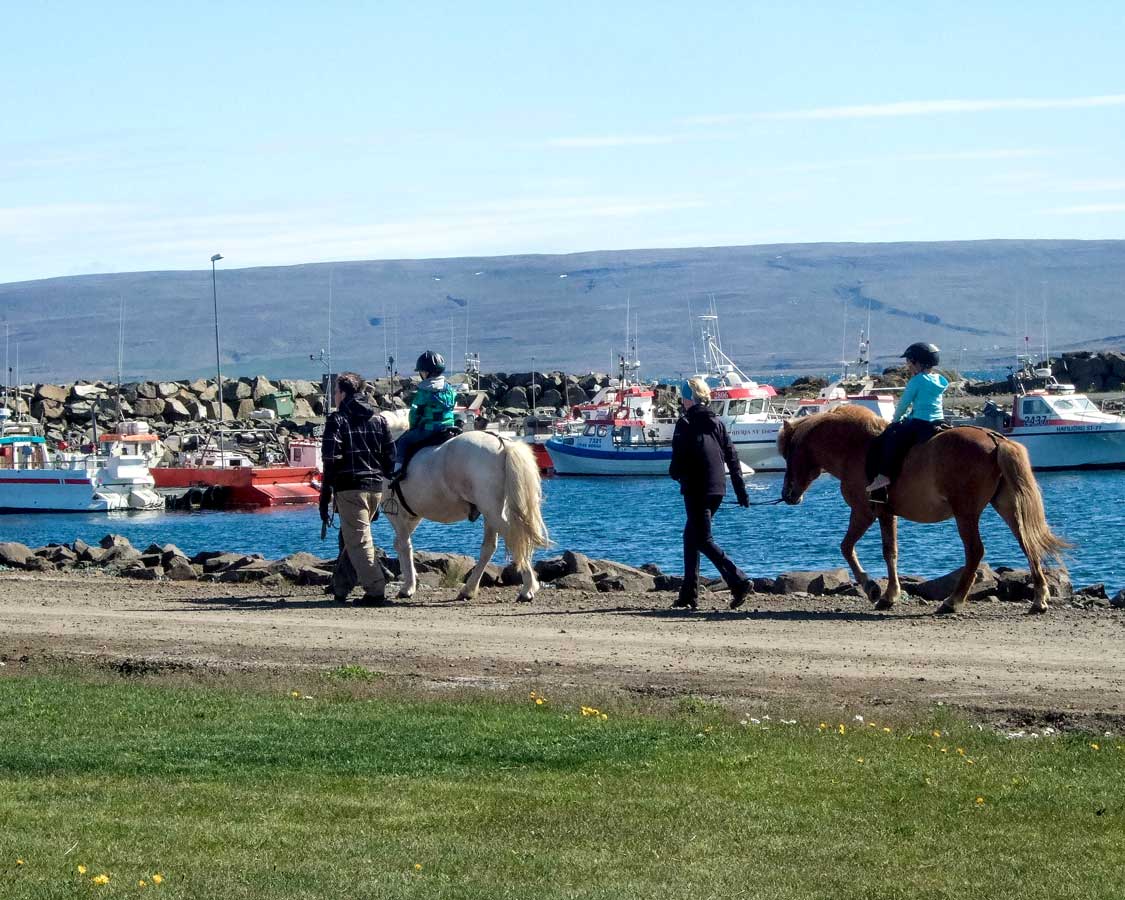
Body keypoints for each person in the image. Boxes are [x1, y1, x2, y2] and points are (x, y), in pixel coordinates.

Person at [668, 376, 753, 610]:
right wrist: (741, 492)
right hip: (718, 488)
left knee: (703, 540)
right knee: (691, 537)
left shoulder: (684, 423)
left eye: (683, 398)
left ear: (688, 399)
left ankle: (739, 580)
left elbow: (678, 458)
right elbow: (732, 457)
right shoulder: (718, 422)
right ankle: (689, 595)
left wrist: (675, 474)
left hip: (696, 488)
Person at [320, 371, 395, 605]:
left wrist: (325, 497)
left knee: (358, 541)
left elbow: (329, 460)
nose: (334, 396)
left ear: (342, 393)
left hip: (350, 488)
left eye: (335, 392)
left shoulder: (337, 420)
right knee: (353, 537)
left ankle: (376, 590)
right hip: (375, 488)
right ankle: (340, 586)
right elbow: (390, 457)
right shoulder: (379, 419)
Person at [866, 342, 948, 493]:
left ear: (917, 362)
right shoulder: (938, 380)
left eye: (909, 361)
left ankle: (884, 475)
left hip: (920, 423)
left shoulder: (917, 381)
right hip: (939, 421)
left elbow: (903, 404)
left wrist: (895, 420)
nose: (907, 365)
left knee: (890, 438)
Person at [394, 350, 458, 478]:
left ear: (426, 372)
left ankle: (397, 471)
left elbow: (414, 413)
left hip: (429, 429)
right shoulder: (450, 388)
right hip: (449, 426)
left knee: (402, 442)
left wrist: (413, 426)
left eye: (421, 371)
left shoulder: (423, 391)